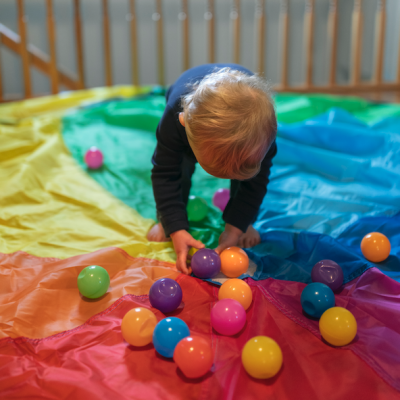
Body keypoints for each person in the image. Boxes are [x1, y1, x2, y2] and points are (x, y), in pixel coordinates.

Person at [147, 63, 277, 274]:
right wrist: (176, 228)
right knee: (179, 168)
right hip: (182, 102)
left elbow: (256, 183)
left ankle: (243, 221)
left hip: (246, 119)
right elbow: (165, 174)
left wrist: (236, 227)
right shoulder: (174, 120)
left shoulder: (262, 135)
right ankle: (166, 218)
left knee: (248, 180)